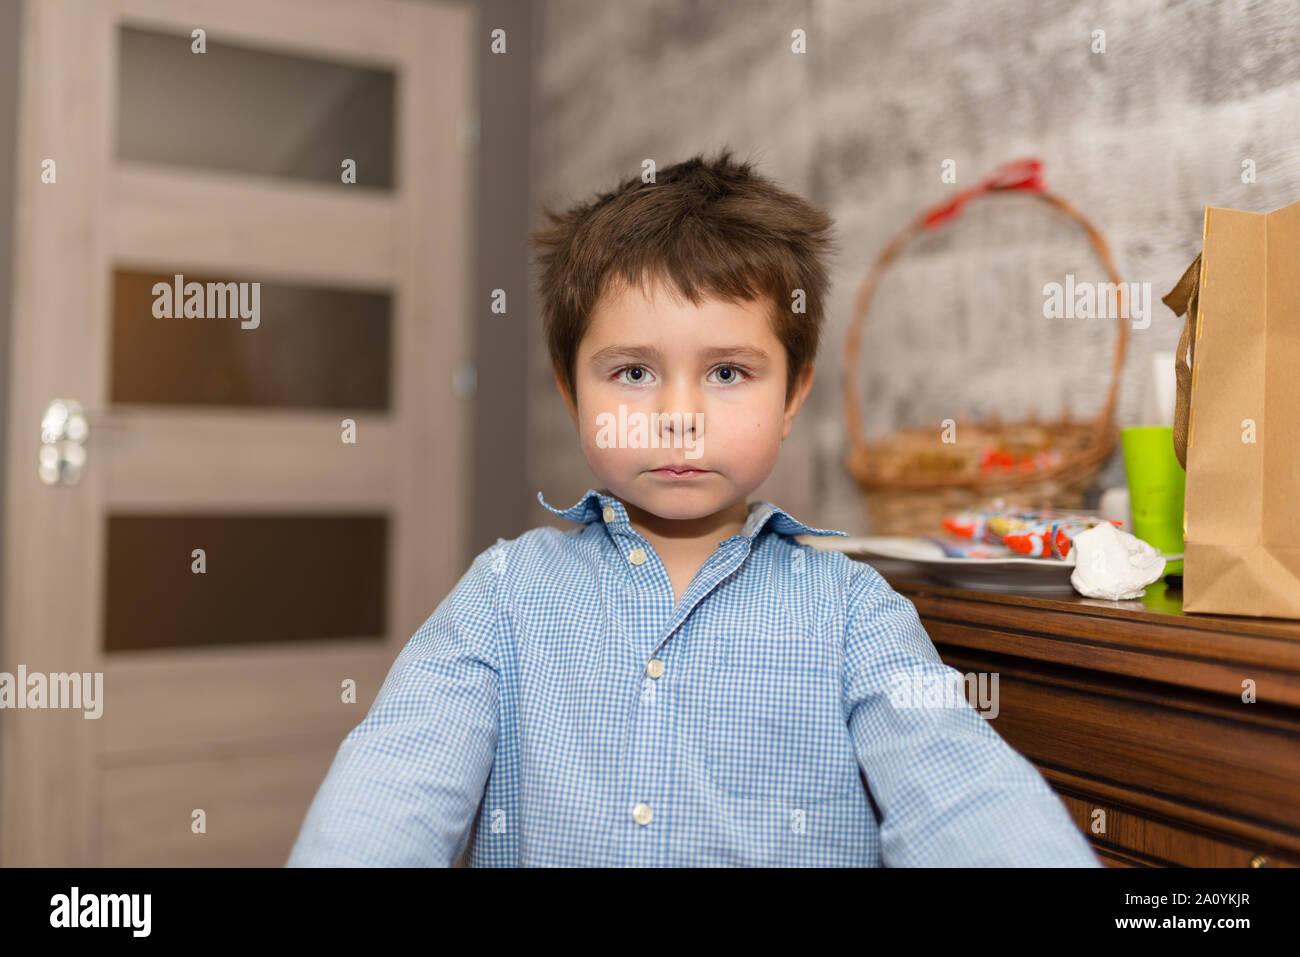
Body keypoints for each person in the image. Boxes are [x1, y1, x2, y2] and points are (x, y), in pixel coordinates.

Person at [287, 148, 1101, 867]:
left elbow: (963, 794)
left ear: (794, 393)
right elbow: (394, 785)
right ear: (573, 391)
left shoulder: (854, 615)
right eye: (634, 372)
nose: (679, 415)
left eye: (728, 373)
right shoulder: (504, 595)